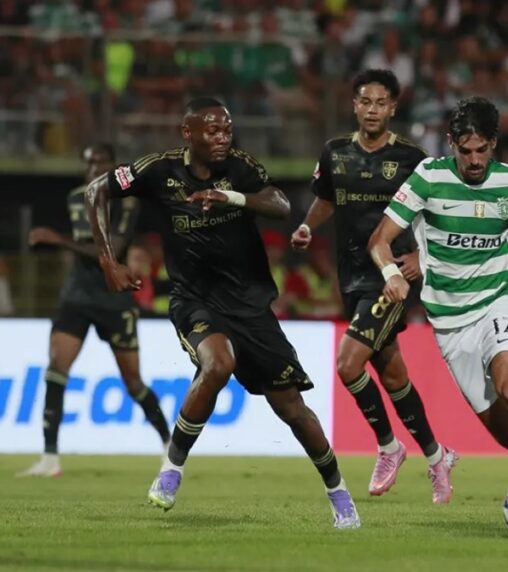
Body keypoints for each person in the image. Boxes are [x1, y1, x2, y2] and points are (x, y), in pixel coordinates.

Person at [86, 98, 360, 529]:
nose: (222, 138)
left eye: (227, 130)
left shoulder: (240, 168)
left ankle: (338, 492)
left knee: (291, 408)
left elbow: (281, 205)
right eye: (212, 131)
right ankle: (171, 469)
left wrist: (230, 197)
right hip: (194, 300)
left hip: (250, 306)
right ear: (188, 133)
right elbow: (96, 189)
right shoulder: (158, 169)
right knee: (218, 364)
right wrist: (107, 259)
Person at [368, 97, 508, 535]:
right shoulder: (429, 178)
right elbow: (380, 239)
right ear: (451, 143)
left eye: (482, 150)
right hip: (450, 324)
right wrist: (391, 273)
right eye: (465, 150)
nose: (473, 160)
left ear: (494, 144)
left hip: (497, 301)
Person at [290, 69, 454, 502]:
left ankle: (388, 447)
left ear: (393, 108)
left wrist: (421, 258)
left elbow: (439, 213)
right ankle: (437, 457)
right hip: (351, 276)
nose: (372, 110)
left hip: (392, 277)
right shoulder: (335, 152)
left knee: (348, 364)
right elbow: (327, 199)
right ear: (355, 105)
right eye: (365, 101)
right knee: (392, 372)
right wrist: (307, 226)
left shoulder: (412, 158)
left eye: (381, 103)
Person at [19, 144, 171, 478]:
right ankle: (49, 458)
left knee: (133, 382)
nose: (95, 168)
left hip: (115, 300)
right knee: (56, 369)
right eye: (89, 163)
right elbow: (84, 246)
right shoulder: (76, 197)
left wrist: (58, 240)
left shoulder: (126, 201)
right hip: (77, 297)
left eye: (101, 162)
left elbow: (112, 251)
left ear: (113, 166)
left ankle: (168, 443)